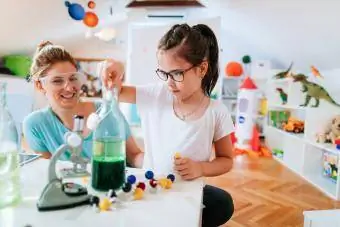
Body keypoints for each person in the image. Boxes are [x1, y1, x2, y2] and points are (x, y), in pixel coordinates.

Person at [102, 23, 234, 226]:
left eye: (177, 74)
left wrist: (201, 168)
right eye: (165, 74)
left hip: (187, 197)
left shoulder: (217, 112)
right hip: (148, 191)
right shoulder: (155, 95)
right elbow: (114, 90)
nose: (169, 82)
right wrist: (115, 68)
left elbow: (226, 160)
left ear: (202, 68)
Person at [23, 41, 143, 167]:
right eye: (57, 81)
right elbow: (48, 171)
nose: (69, 88)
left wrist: (156, 159)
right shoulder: (35, 125)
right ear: (39, 85)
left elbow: (134, 156)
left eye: (73, 78)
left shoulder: (108, 113)